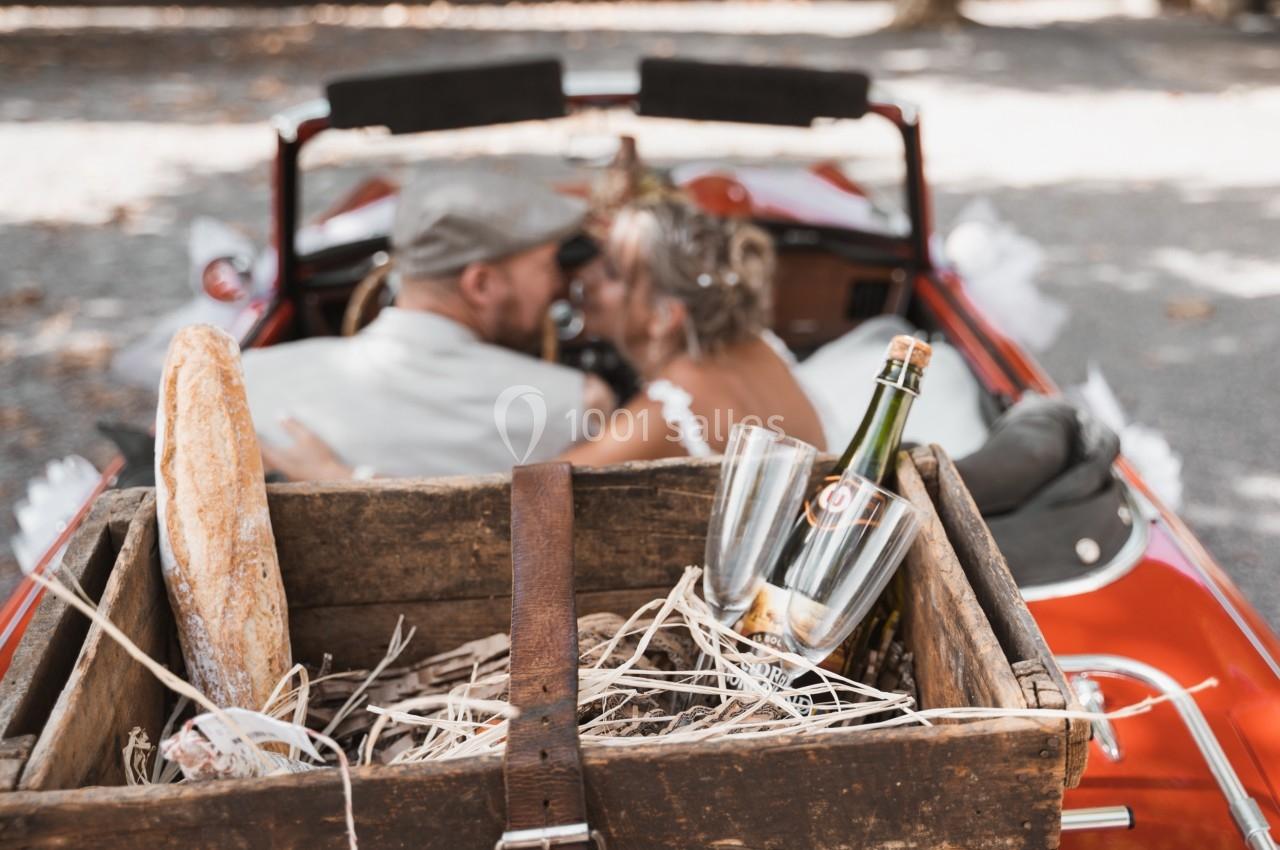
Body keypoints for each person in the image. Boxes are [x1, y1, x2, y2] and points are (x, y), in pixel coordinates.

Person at [244, 168, 614, 480]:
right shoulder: (574, 405)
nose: (558, 284)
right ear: (480, 284)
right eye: (547, 265)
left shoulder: (249, 379)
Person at [562, 199, 827, 463]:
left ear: (664, 316)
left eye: (611, 272)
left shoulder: (668, 413)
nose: (585, 275)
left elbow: (536, 491)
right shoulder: (760, 344)